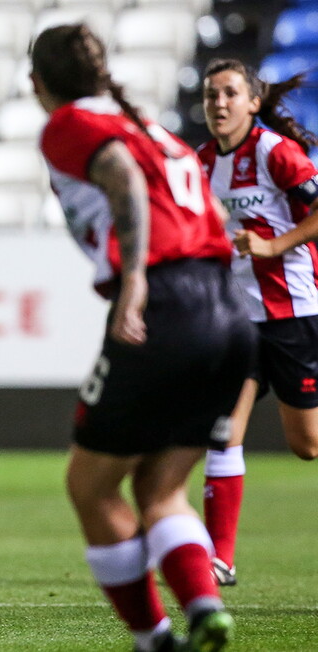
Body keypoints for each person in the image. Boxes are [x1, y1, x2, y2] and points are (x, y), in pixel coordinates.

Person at [31, 24, 256, 652]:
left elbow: (122, 177)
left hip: (164, 304)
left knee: (90, 485)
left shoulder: (70, 124)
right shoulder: (154, 130)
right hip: (226, 310)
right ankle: (204, 608)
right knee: (160, 489)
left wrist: (133, 280)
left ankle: (154, 638)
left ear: (37, 84)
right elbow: (208, 214)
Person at [197, 59, 318, 587]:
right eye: (210, 95)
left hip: (292, 313)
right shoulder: (200, 163)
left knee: (307, 444)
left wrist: (274, 245)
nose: (219, 103)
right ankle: (218, 558)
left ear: (251, 101)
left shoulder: (273, 152)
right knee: (222, 433)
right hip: (237, 322)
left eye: (229, 93)